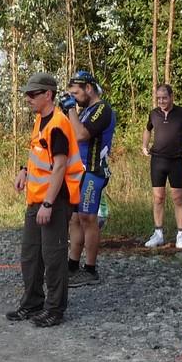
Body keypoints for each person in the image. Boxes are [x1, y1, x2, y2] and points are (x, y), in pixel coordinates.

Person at [7, 72, 85, 327]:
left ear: (48, 95)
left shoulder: (59, 124)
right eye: (27, 94)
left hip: (55, 200)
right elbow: (39, 154)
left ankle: (54, 309)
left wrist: (48, 204)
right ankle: (32, 303)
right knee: (30, 255)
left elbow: (60, 167)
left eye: (33, 94)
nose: (28, 99)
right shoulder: (41, 119)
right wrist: (24, 170)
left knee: (53, 257)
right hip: (35, 199)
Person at [64, 69, 115, 287]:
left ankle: (91, 269)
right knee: (75, 219)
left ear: (88, 88)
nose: (74, 98)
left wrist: (71, 110)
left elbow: (82, 134)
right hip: (80, 172)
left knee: (88, 218)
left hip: (94, 172)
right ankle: (72, 265)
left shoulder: (102, 108)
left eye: (76, 93)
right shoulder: (85, 111)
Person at [141, 84, 182, 249]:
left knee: (177, 198)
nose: (161, 101)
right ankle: (158, 234)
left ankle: (181, 234)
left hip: (176, 161)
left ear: (172, 97)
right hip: (157, 161)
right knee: (158, 198)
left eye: (164, 98)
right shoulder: (154, 113)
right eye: (158, 98)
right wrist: (144, 145)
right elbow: (147, 129)